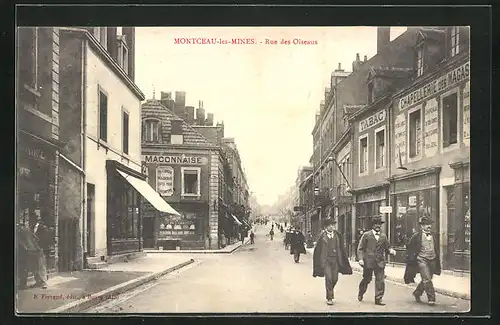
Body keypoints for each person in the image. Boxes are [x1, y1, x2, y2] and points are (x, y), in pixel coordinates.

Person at [357, 216, 396, 306]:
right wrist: (360, 259)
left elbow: (387, 247)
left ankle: (378, 298)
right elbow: (360, 248)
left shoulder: (383, 236)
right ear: (372, 225)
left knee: (380, 280)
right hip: (368, 262)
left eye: (379, 224)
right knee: (367, 279)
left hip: (380, 262)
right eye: (376, 224)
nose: (378, 226)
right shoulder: (366, 235)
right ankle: (361, 292)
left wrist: (391, 250)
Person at [313, 218, 352, 306]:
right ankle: (329, 297)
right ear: (326, 227)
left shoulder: (338, 235)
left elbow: (342, 248)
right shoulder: (322, 236)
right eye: (329, 225)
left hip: (336, 260)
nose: (331, 227)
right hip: (326, 261)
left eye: (333, 225)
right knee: (329, 278)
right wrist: (318, 262)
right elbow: (317, 250)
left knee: (335, 279)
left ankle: (330, 290)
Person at [404, 216, 441, 306]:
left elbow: (436, 248)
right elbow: (409, 247)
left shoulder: (435, 235)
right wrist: (412, 258)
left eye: (429, 224)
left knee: (427, 278)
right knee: (427, 279)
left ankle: (417, 292)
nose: (429, 226)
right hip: (421, 259)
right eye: (426, 225)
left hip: (432, 259)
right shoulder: (416, 236)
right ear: (421, 226)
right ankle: (431, 298)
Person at [17, 222, 48, 289]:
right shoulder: (28, 231)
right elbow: (37, 239)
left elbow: (20, 242)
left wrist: (26, 247)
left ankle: (41, 282)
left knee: (33, 267)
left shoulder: (19, 232)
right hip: (37, 250)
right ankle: (41, 282)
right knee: (39, 267)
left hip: (29, 251)